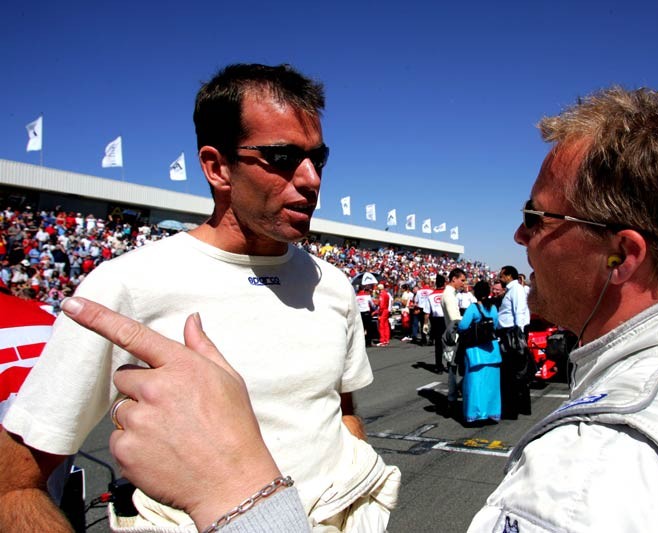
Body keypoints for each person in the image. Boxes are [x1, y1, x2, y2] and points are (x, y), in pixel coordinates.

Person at [55, 86, 658, 531]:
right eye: (282, 158)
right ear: (215, 167)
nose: (517, 236)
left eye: (539, 217)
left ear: (622, 254)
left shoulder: (589, 475)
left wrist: (238, 493)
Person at [0, 63, 399, 532]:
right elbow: (15, 481)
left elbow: (341, 410)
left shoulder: (332, 283)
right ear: (217, 167)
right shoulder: (124, 286)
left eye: (318, 158)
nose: (311, 179)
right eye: (282, 157)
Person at [457, 281, 501, 423]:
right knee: (492, 385)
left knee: (475, 384)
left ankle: (474, 414)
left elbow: (463, 325)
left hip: (475, 350)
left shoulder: (473, 308)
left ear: (475, 293)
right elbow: (496, 324)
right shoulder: (493, 308)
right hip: (491, 349)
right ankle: (492, 412)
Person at [496, 264, 531, 419]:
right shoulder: (512, 290)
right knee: (513, 373)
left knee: (511, 373)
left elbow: (519, 311)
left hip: (511, 334)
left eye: (502, 275)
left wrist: (519, 334)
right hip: (510, 333)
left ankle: (512, 409)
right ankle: (517, 406)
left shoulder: (516, 290)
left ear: (509, 276)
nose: (500, 277)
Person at [442, 268, 465, 411]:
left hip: (452, 333)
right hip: (454, 336)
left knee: (454, 368)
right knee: (454, 368)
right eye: (461, 280)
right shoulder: (449, 295)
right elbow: (454, 318)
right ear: (454, 279)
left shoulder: (451, 294)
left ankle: (453, 394)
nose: (463, 283)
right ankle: (452, 396)